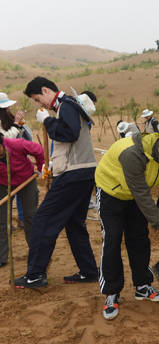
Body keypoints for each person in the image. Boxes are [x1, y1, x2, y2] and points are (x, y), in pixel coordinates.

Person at [95, 122, 159, 320]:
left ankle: (142, 285)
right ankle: (111, 292)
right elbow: (141, 194)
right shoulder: (133, 153)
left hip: (136, 197)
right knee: (113, 238)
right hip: (110, 193)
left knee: (139, 238)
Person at [14, 77, 98, 288]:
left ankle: (35, 275)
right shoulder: (68, 106)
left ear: (45, 90)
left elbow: (69, 134)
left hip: (73, 175)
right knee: (74, 224)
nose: (39, 104)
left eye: (37, 99)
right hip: (82, 173)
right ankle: (88, 271)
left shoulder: (67, 105)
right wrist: (52, 164)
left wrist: (47, 121)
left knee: (43, 220)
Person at [0, 135, 43, 267]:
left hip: (26, 180)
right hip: (3, 184)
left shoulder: (16, 144)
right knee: (1, 220)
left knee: (30, 217)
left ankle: (36, 254)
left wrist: (41, 168)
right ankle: (1, 257)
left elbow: (38, 150)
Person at [0, 92, 31, 228]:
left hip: (16, 162)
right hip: (4, 165)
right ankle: (5, 222)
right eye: (6, 108)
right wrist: (17, 124)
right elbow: (6, 139)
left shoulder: (6, 120)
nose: (9, 110)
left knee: (20, 189)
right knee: (7, 193)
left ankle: (21, 219)